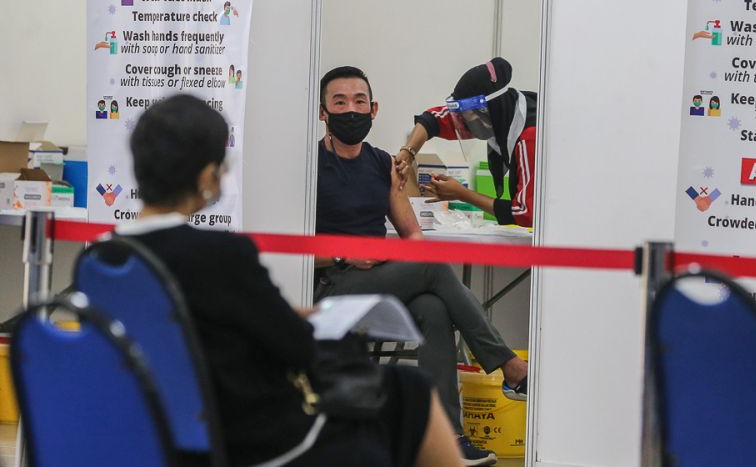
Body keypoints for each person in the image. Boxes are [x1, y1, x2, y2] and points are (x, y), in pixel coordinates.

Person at [120, 94, 461, 467]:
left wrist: (284, 315)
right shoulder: (222, 253)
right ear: (206, 176)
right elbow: (298, 349)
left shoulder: (104, 258)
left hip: (158, 432)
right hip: (248, 435)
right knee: (409, 390)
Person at [315, 66, 527, 466]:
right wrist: (344, 255)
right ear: (323, 112)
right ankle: (510, 367)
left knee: (434, 307)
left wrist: (396, 258)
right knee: (431, 269)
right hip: (331, 285)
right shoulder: (310, 166)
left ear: (374, 109)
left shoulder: (382, 164)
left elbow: (412, 235)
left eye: (360, 101)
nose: (351, 110)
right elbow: (288, 250)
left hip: (378, 283)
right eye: (339, 102)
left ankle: (445, 441)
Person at [397, 57, 538, 229]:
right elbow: (433, 120)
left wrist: (461, 194)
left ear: (488, 112)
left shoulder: (530, 138)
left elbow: (526, 213)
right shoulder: (502, 114)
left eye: (468, 119)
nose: (464, 126)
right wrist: (408, 152)